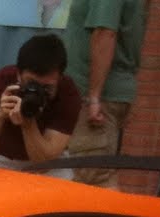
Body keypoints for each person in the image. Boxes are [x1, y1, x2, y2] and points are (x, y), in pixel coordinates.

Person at [0, 34, 81, 178]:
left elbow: (44, 165)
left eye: (47, 88)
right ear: (18, 74)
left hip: (50, 163)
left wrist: (28, 124)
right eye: (31, 85)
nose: (38, 92)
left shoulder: (68, 94)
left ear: (60, 78)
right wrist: (0, 115)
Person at [64, 0, 146, 188]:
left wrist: (94, 97)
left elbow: (105, 32)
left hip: (95, 98)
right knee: (91, 177)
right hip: (102, 95)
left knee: (89, 180)